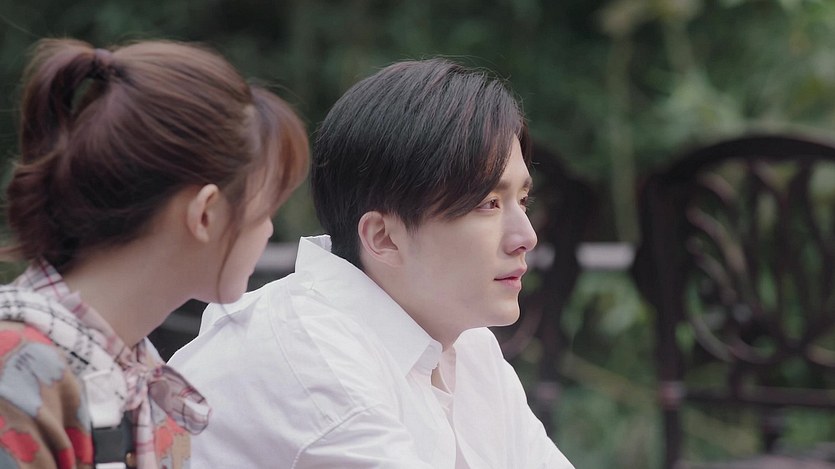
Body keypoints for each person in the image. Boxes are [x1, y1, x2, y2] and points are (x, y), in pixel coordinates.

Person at [170, 58, 575, 468]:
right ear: (383, 238)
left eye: (523, 200)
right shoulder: (313, 356)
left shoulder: (469, 346)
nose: (527, 237)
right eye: (488, 204)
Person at [0, 38, 308, 468]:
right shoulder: (17, 369)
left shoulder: (141, 380)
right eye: (265, 210)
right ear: (205, 214)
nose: (268, 231)